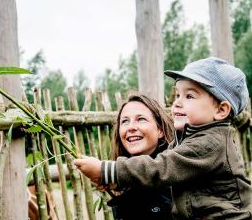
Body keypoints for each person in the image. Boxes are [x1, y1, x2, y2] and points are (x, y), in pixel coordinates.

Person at [74, 57, 252, 219]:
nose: (177, 102)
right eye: (178, 95)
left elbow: (161, 167)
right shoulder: (186, 139)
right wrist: (117, 181)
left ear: (221, 110)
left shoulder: (210, 143)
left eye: (189, 96)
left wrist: (106, 170)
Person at [101, 94, 174, 219]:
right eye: (125, 121)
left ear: (160, 130)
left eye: (141, 119)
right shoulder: (122, 181)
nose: (131, 127)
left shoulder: (174, 175)